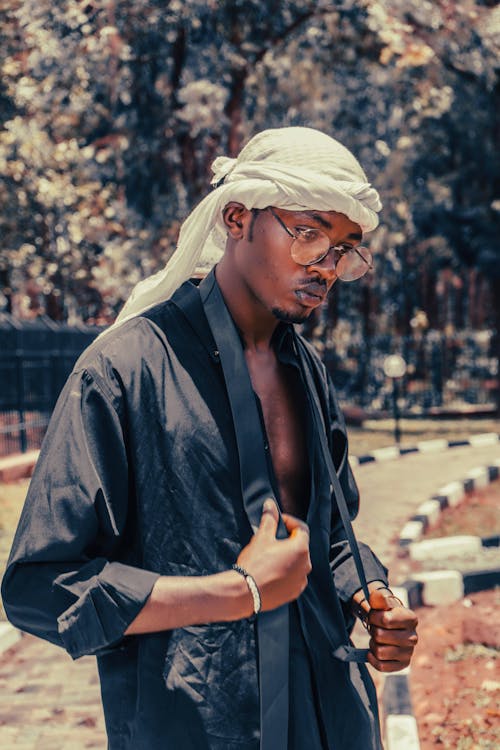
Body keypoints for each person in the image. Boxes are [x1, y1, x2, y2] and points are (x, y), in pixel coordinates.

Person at [2, 127, 418, 750]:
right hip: (197, 729)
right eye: (307, 233)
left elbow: (327, 540)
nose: (326, 267)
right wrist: (236, 593)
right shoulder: (124, 372)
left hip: (331, 719)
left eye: (344, 249)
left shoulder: (306, 371)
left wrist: (372, 592)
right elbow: (41, 587)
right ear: (236, 217)